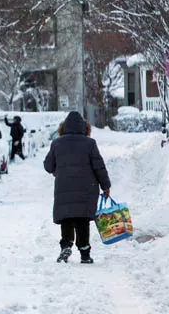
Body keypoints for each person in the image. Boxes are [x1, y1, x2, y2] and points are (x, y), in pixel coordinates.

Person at [44, 111, 111, 264]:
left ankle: (66, 245)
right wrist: (105, 186)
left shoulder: (57, 143)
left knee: (67, 217)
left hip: (64, 188)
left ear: (63, 128)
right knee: (82, 220)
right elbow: (99, 167)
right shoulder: (90, 143)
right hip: (86, 189)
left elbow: (48, 166)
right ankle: (85, 253)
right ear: (85, 128)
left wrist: (58, 171)